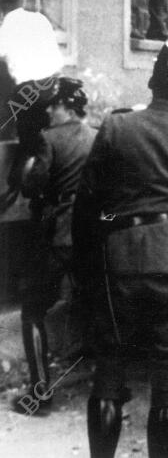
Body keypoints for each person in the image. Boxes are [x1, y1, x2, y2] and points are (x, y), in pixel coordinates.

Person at [72, 37, 168, 458]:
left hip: (119, 260)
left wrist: (88, 262)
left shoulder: (117, 127)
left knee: (109, 366)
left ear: (153, 79)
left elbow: (88, 206)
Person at [11, 78, 95, 415]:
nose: (48, 110)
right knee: (96, 306)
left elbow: (33, 186)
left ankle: (40, 392)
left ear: (65, 105)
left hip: (59, 231)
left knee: (33, 307)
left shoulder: (48, 139)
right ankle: (112, 386)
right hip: (91, 231)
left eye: (53, 104)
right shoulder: (98, 135)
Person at [0, 0, 62, 205]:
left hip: (28, 88)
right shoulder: (39, 19)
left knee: (29, 141)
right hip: (51, 84)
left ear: (2, 6)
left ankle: (20, 187)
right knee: (44, 137)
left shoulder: (7, 26)